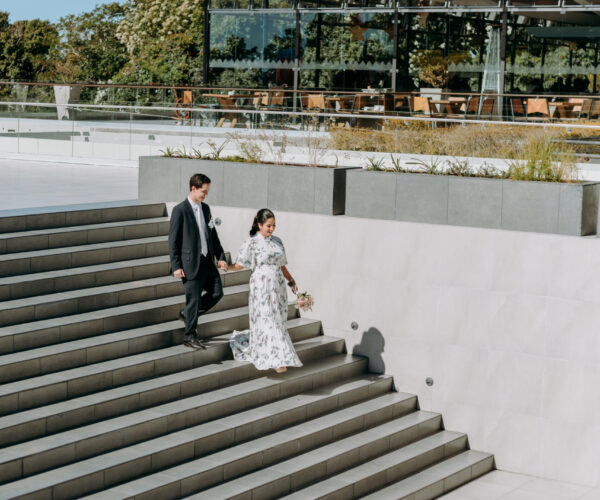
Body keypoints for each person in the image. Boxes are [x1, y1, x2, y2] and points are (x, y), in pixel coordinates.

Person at [228, 209, 302, 373]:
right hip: (261, 287)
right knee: (268, 320)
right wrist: (227, 266)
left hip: (278, 286)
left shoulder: (277, 241)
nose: (272, 229)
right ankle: (277, 361)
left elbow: (282, 264)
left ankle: (276, 356)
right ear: (259, 225)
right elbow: (240, 264)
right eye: (268, 225)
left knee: (277, 320)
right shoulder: (252, 243)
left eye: (274, 225)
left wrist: (291, 281)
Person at [168, 173, 228, 349]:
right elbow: (173, 240)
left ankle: (187, 314)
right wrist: (176, 266)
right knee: (193, 299)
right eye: (204, 191)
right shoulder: (180, 210)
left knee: (217, 292)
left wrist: (221, 257)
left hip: (207, 261)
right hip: (189, 263)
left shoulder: (206, 208)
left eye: (207, 191)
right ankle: (189, 336)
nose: (206, 195)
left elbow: (213, 234)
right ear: (193, 189)